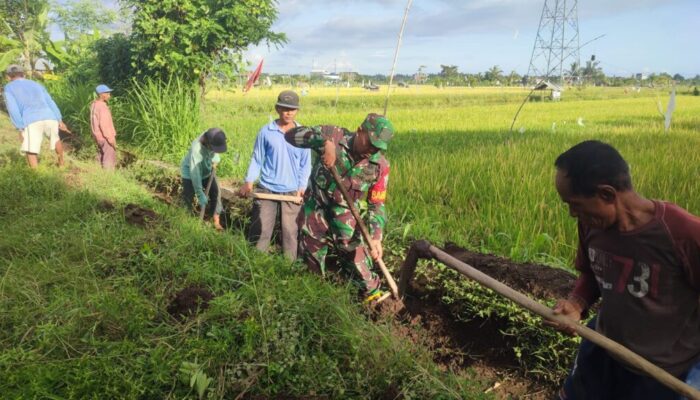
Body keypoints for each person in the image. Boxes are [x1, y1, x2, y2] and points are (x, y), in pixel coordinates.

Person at [550, 140, 700, 400]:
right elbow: (592, 274)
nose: (572, 214)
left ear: (607, 194)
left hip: (661, 373)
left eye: (575, 204)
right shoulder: (591, 225)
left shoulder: (684, 234)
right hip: (603, 348)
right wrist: (576, 304)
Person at [284, 113, 393, 302]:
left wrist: (376, 236)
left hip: (345, 210)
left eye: (378, 147)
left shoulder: (380, 166)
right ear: (360, 131)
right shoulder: (334, 135)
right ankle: (314, 298)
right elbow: (292, 135)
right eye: (370, 142)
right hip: (316, 204)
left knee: (354, 250)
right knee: (312, 252)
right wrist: (323, 143)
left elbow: (377, 203)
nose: (372, 150)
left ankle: (373, 297)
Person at [239, 90, 311, 260]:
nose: (289, 112)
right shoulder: (266, 132)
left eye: (292, 109)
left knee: (290, 232)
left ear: (297, 110)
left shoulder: (303, 135)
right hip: (267, 188)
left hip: (292, 190)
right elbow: (257, 159)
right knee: (261, 229)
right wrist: (249, 181)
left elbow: (305, 164)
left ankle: (288, 267)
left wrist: (302, 186)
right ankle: (255, 263)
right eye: (285, 108)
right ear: (277, 108)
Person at [3, 64, 68, 168]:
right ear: (23, 74)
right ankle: (61, 164)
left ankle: (36, 174)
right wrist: (59, 119)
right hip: (49, 116)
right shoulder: (36, 84)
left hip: (31, 120)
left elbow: (13, 108)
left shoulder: (9, 88)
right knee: (56, 139)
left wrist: (20, 127)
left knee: (31, 148)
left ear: (9, 76)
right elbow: (50, 101)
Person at [181, 128, 228, 230]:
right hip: (190, 172)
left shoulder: (212, 135)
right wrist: (199, 193)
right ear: (207, 142)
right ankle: (185, 221)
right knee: (188, 197)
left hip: (207, 170)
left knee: (216, 192)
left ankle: (215, 221)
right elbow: (195, 174)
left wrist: (215, 157)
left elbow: (216, 147)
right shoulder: (196, 150)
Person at [90, 84, 117, 169]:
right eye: (108, 93)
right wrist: (110, 139)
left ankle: (100, 174)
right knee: (109, 158)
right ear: (102, 94)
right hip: (105, 137)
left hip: (98, 136)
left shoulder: (94, 105)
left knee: (102, 155)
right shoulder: (102, 107)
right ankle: (108, 178)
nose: (109, 95)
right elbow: (104, 124)